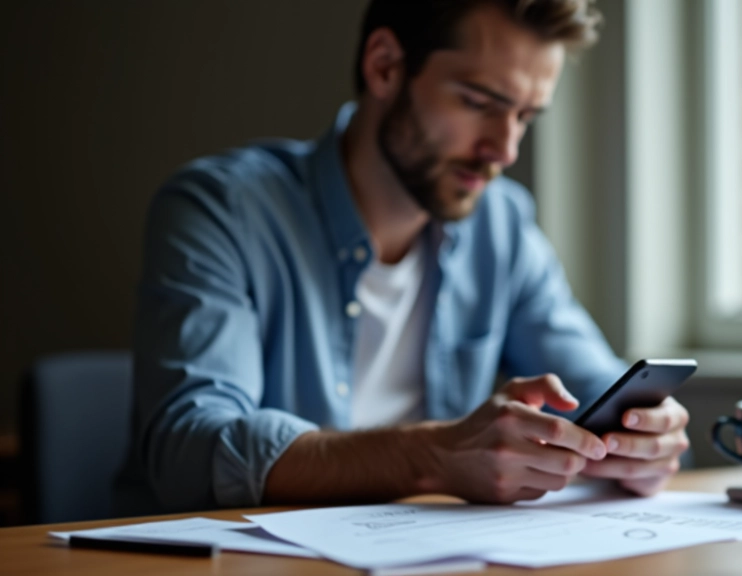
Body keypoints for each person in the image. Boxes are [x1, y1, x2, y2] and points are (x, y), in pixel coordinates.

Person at [120, 0, 690, 514]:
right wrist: (433, 455)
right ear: (385, 66)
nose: (505, 149)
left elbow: (594, 386)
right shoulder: (222, 210)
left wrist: (643, 436)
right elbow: (189, 450)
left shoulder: (504, 224)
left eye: (525, 117)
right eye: (478, 102)